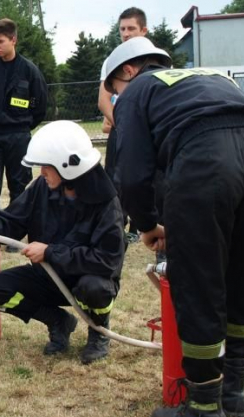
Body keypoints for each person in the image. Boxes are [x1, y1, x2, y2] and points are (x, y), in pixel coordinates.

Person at [103, 37, 244, 417]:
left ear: (128, 70)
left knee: (198, 282)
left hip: (206, 160)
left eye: (114, 89)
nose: (115, 98)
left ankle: (203, 412)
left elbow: (131, 174)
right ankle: (235, 393)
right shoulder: (209, 75)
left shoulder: (138, 90)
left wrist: (147, 225)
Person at [0, 121, 125, 365]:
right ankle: (58, 321)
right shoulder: (42, 189)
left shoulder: (106, 203)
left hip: (87, 280)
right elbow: (9, 222)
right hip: (49, 276)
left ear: (67, 166)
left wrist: (50, 252)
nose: (42, 172)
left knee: (94, 288)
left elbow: (106, 261)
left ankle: (99, 331)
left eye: (46, 166)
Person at [0, 18, 48, 234]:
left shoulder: (29, 70)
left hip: (19, 135)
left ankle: (14, 230)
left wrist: (23, 127)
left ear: (13, 40)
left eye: (0, 41)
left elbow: (40, 106)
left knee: (19, 185)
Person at [97, 7, 148, 244]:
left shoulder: (156, 58)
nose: (126, 33)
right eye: (122, 29)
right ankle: (118, 226)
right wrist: (124, 125)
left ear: (144, 30)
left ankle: (144, 226)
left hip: (150, 132)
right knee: (116, 179)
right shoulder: (112, 60)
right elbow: (103, 100)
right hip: (122, 131)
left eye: (131, 28)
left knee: (149, 178)